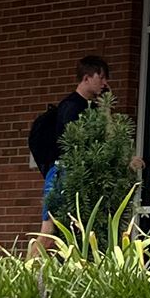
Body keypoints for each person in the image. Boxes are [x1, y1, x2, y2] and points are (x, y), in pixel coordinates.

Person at [28, 55, 112, 224]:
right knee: (50, 229)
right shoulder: (70, 107)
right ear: (86, 78)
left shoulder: (94, 108)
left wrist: (106, 108)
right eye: (101, 77)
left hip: (84, 173)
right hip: (64, 171)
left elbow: (109, 137)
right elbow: (72, 142)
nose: (105, 83)